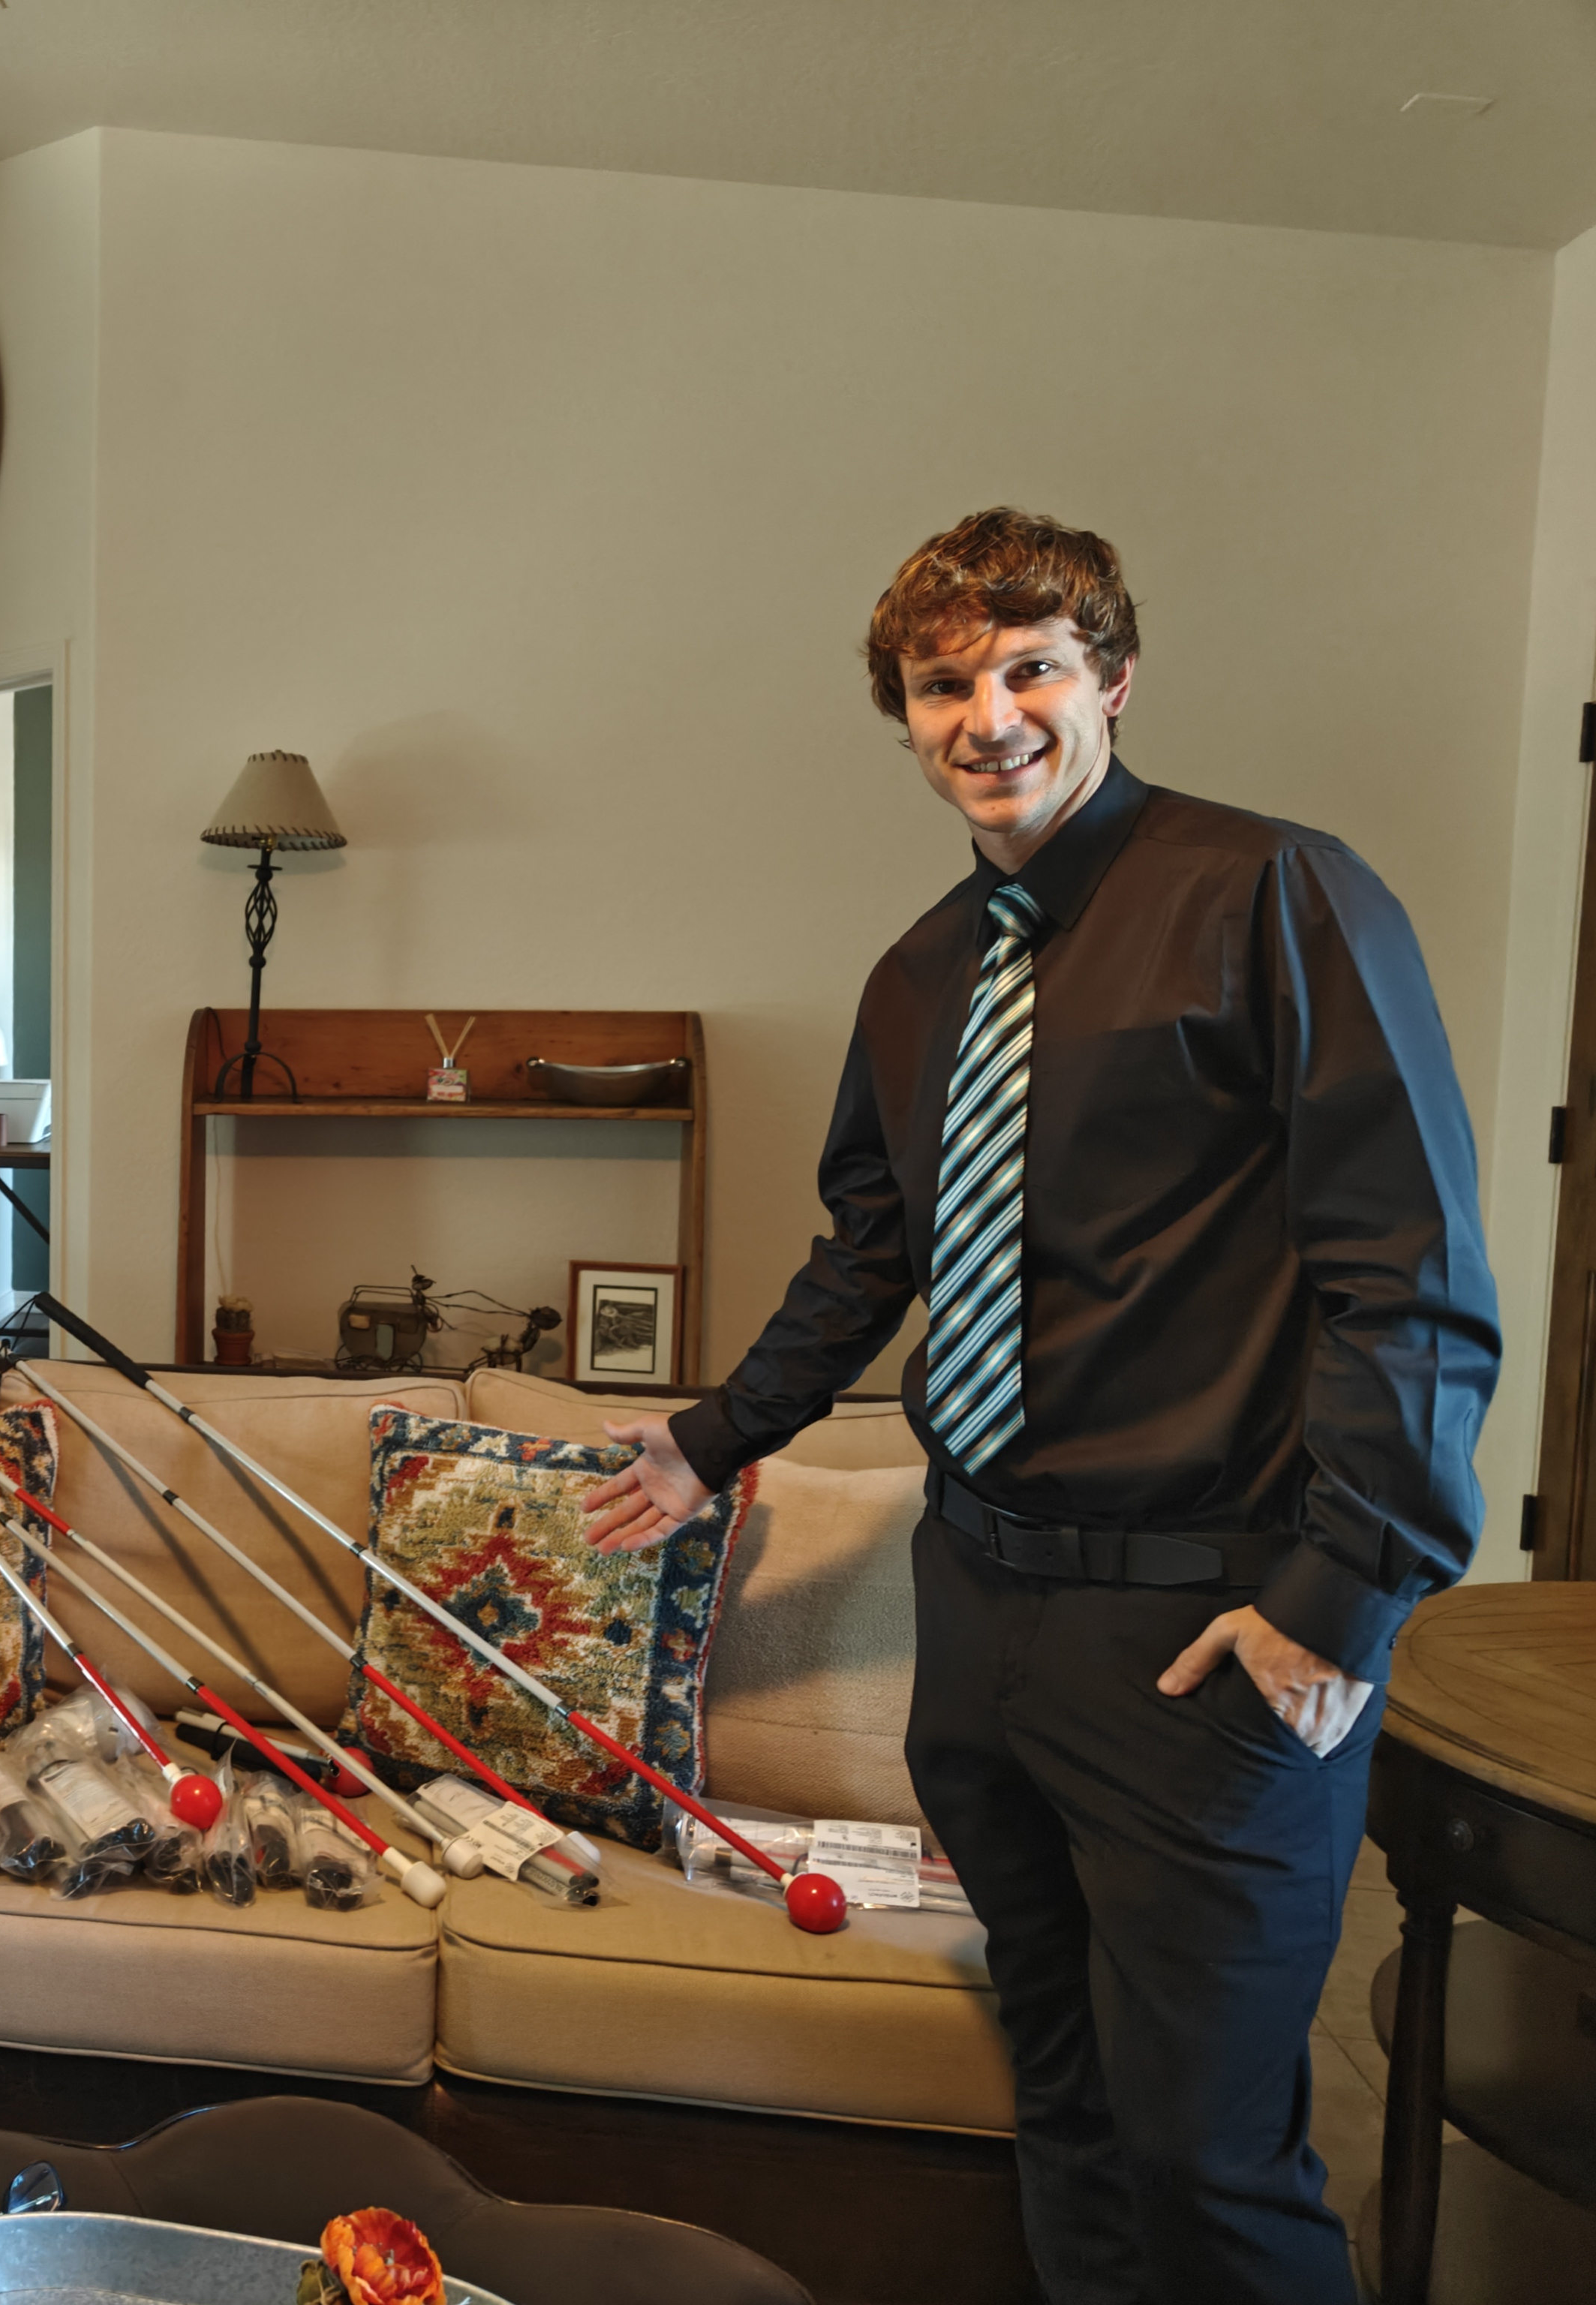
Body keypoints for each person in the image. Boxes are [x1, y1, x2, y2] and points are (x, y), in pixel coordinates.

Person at [579, 508, 1498, 2304]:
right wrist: (714, 1438)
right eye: (942, 684)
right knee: (1065, 2118)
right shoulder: (920, 977)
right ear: (905, 714)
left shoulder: (1275, 894)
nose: (984, 715)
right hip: (981, 1611)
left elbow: (1410, 1267)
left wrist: (1339, 1598)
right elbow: (869, 1254)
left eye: (1027, 670)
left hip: (1200, 1631)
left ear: (1109, 680)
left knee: (1211, 2160)